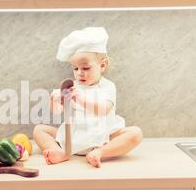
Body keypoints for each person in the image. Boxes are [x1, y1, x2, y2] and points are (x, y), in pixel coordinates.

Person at [33, 27, 143, 168]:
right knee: (39, 130)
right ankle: (60, 152)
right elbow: (57, 112)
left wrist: (80, 100)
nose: (80, 73)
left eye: (85, 68)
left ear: (102, 65)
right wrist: (55, 101)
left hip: (103, 138)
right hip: (72, 138)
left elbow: (103, 110)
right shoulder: (71, 86)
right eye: (75, 68)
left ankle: (100, 153)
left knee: (135, 133)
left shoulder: (107, 86)